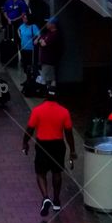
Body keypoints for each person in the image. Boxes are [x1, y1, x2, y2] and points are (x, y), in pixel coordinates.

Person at [23, 85, 76, 215]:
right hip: (58, 144)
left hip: (42, 145)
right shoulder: (64, 111)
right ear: (57, 97)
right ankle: (56, 201)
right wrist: (72, 150)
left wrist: (25, 143)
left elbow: (29, 129)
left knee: (40, 172)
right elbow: (69, 133)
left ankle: (46, 197)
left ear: (45, 96)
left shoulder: (37, 110)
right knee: (57, 172)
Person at [35, 16, 63, 86]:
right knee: (46, 78)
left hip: (49, 61)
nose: (46, 24)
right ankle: (48, 92)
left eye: (48, 23)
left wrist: (41, 41)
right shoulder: (48, 33)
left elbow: (43, 44)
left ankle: (50, 92)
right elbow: (39, 41)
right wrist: (41, 40)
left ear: (53, 25)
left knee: (49, 79)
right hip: (44, 60)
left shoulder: (55, 34)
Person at [19, 11, 41, 78]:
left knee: (31, 65)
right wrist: (20, 36)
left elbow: (39, 34)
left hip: (31, 49)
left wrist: (36, 40)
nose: (24, 19)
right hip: (23, 48)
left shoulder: (33, 26)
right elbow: (19, 30)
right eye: (23, 18)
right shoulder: (22, 26)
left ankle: (32, 79)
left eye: (25, 18)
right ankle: (27, 79)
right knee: (25, 65)